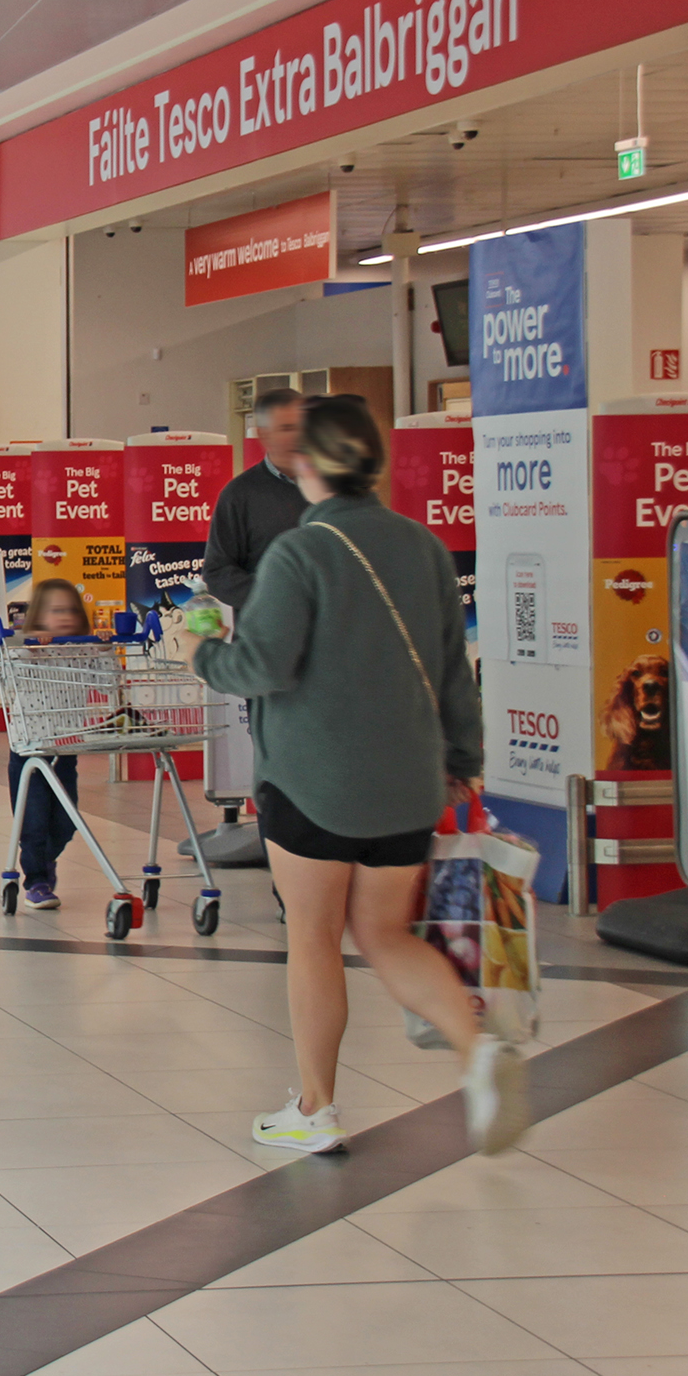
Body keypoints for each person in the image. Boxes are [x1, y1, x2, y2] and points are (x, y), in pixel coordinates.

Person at [181, 394, 525, 1160]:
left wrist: (199, 646)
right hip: (407, 782)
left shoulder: (300, 553)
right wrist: (463, 761)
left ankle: (315, 1106)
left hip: (312, 779)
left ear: (307, 464)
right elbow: (451, 672)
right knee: (385, 932)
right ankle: (480, 1053)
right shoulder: (424, 547)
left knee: (313, 939)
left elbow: (261, 665)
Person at [8, 578, 93, 912]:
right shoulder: (23, 649)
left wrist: (102, 648)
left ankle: (44, 860)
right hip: (29, 748)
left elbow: (109, 678)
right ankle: (37, 880)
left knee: (67, 819)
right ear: (38, 615)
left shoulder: (80, 649)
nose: (66, 617)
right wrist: (31, 648)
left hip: (66, 745)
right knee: (34, 819)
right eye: (56, 610)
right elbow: (9, 668)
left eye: (71, 610)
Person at [202, 387, 307, 613]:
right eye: (287, 429)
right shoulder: (239, 494)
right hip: (265, 635)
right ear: (264, 435)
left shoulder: (334, 487)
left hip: (328, 637)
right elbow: (217, 572)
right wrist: (276, 596)